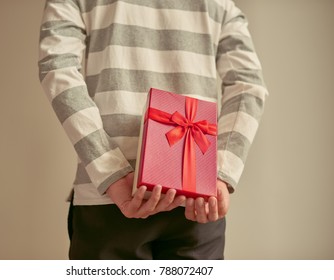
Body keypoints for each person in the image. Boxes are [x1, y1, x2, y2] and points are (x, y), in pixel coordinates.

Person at [38, 0, 267, 259]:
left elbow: (57, 68)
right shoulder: (220, 4)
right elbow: (248, 86)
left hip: (108, 200)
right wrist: (220, 173)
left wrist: (110, 171)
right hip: (196, 199)